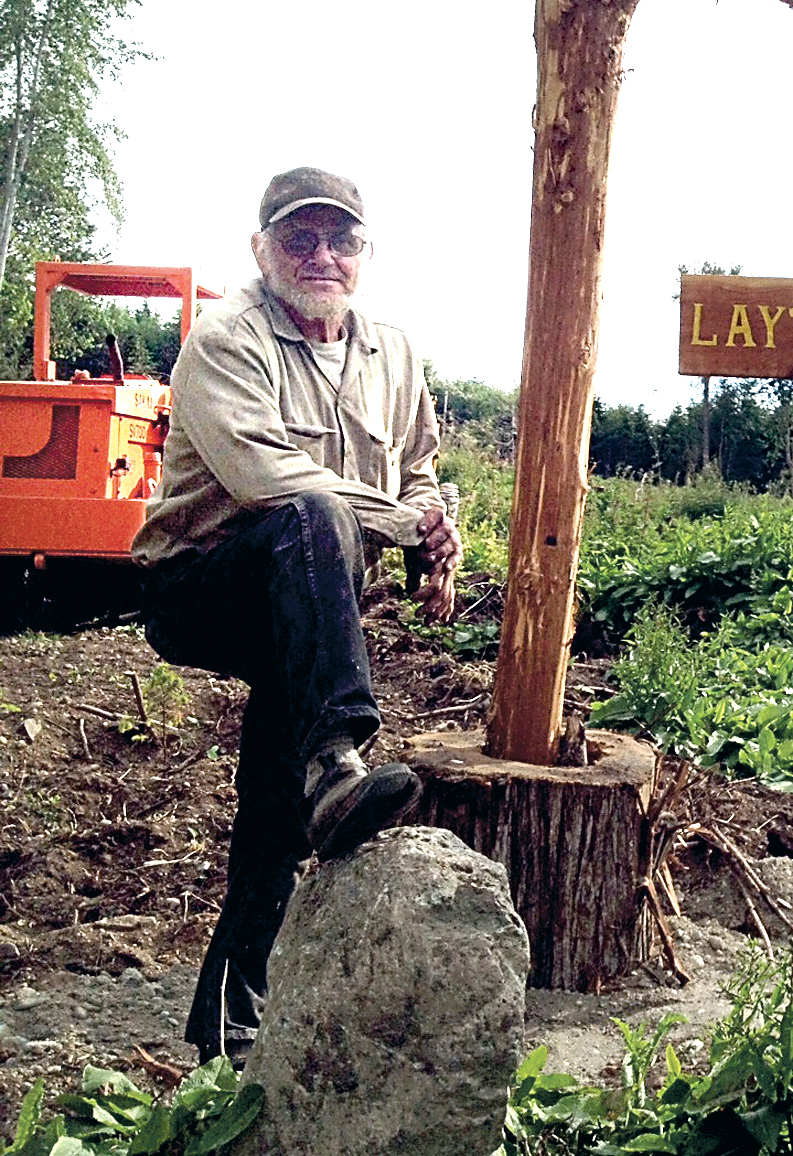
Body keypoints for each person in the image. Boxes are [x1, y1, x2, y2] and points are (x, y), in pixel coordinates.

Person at [132, 166, 463, 1065]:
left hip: (304, 605)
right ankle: (337, 755)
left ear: (364, 253)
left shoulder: (391, 351)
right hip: (200, 585)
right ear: (261, 249)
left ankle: (228, 1026)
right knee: (311, 514)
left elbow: (421, 465)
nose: (322, 256)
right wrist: (395, 520)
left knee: (275, 804)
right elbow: (271, 483)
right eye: (299, 238)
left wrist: (435, 522)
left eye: (341, 239)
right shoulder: (226, 340)